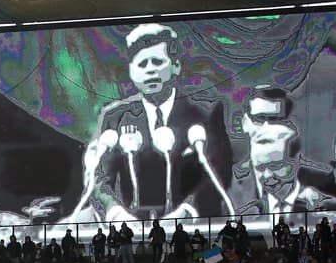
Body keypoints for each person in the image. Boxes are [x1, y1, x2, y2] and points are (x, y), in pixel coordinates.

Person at [88, 23, 233, 223]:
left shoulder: (205, 112)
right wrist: (115, 213)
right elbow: (99, 178)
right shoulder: (114, 116)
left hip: (194, 227)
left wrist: (187, 211)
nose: (150, 71)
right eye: (142, 64)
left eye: (157, 62)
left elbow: (219, 170)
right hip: (132, 230)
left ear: (176, 66)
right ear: (131, 71)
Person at [228, 87, 336, 227]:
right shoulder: (226, 185)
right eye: (259, 118)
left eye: (275, 119)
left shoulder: (324, 184)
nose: (267, 127)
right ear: (245, 123)